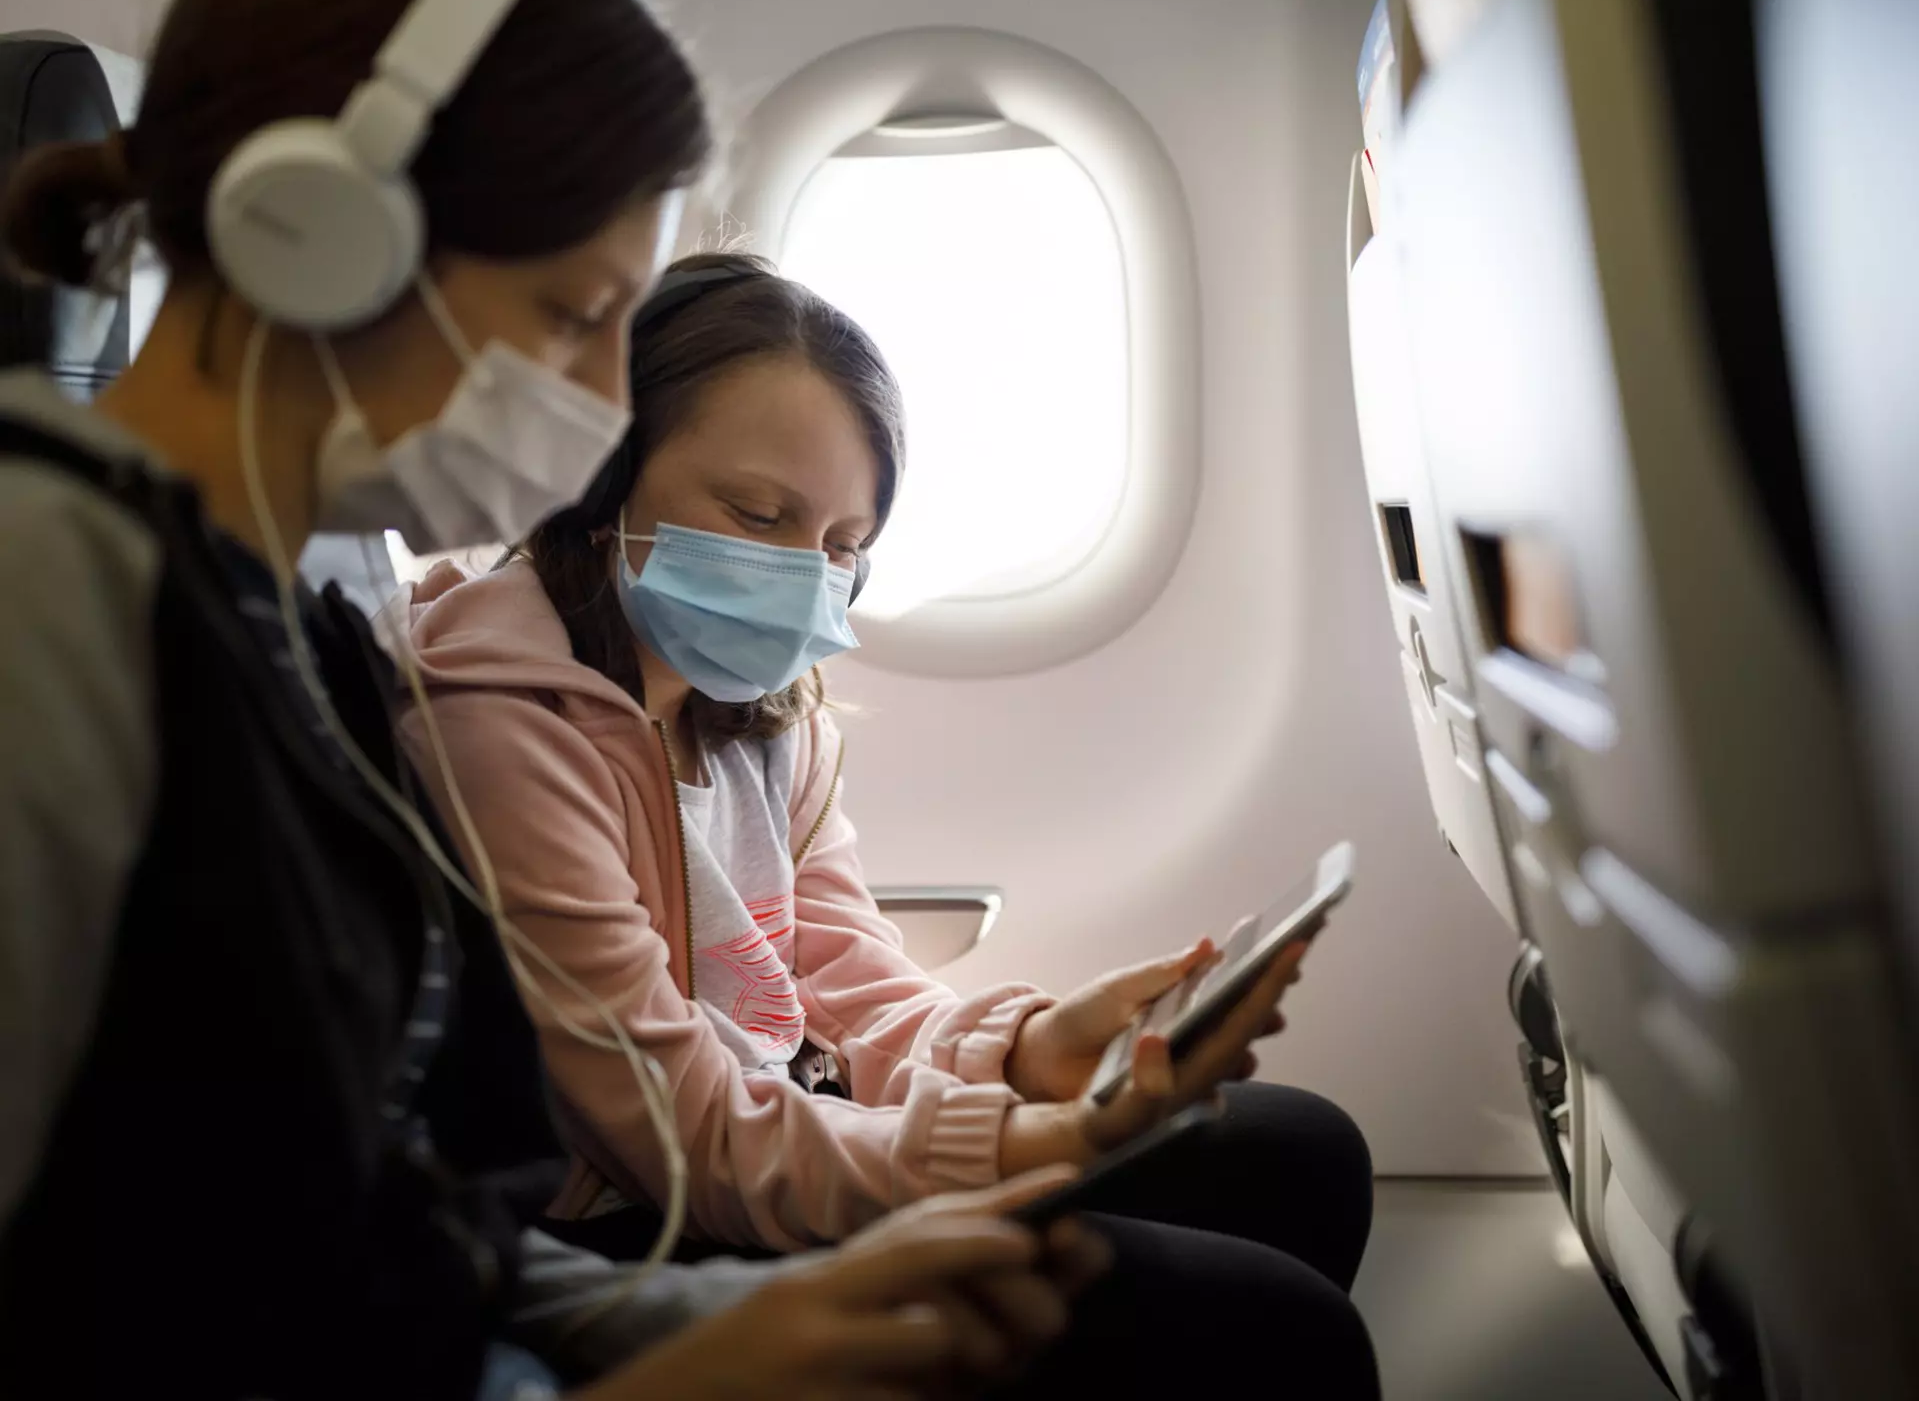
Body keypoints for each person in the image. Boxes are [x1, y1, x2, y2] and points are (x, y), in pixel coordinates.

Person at [0, 0, 1108, 1397]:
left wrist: (694, 1337)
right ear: (328, 238)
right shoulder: (50, 595)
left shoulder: (297, 618)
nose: (601, 413)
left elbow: (384, 1229)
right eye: (575, 315)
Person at [399, 252, 1382, 1394]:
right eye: (756, 513)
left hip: (783, 1132)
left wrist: (1030, 1050)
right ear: (602, 474)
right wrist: (1019, 1143)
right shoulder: (501, 726)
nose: (800, 577)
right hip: (639, 1217)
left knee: (1300, 1153)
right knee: (1275, 1332)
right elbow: (689, 1142)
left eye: (838, 547)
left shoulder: (760, 720)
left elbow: (850, 989)